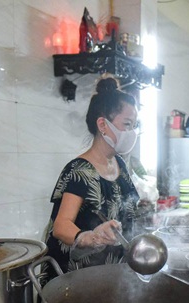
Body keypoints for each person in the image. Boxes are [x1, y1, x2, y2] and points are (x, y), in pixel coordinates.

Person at [43, 76, 140, 280]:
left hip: (111, 276)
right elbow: (61, 226)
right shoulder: (79, 171)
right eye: (127, 124)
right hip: (76, 281)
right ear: (103, 125)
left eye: (134, 125)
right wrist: (90, 237)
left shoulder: (119, 164)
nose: (132, 132)